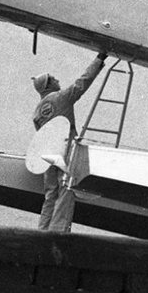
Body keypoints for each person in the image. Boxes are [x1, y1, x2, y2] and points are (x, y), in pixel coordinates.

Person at [31, 51, 107, 232]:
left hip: (47, 154)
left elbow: (39, 134)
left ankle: (43, 230)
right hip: (65, 151)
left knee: (51, 193)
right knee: (67, 187)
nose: (58, 80)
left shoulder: (37, 111)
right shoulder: (61, 97)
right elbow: (83, 82)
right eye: (54, 79)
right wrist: (99, 59)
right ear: (49, 84)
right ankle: (59, 231)